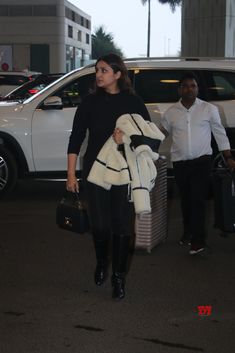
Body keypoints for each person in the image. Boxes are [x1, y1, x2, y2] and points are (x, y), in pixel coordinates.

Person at [66, 53, 151, 300]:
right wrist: (71, 174)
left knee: (123, 227)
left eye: (104, 70)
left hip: (125, 173)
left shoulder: (134, 103)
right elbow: (76, 138)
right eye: (97, 70)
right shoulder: (89, 103)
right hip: (95, 173)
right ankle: (102, 262)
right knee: (100, 226)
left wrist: (125, 139)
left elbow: (148, 138)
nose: (98, 75)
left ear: (117, 74)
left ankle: (118, 277)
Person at [161, 72, 235, 255]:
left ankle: (198, 240)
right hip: (180, 163)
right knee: (186, 201)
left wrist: (228, 156)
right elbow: (162, 134)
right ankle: (188, 232)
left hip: (202, 162)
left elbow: (219, 133)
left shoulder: (208, 109)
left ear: (197, 88)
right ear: (179, 89)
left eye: (193, 86)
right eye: (185, 86)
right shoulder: (171, 113)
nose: (189, 89)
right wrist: (146, 149)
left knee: (198, 200)